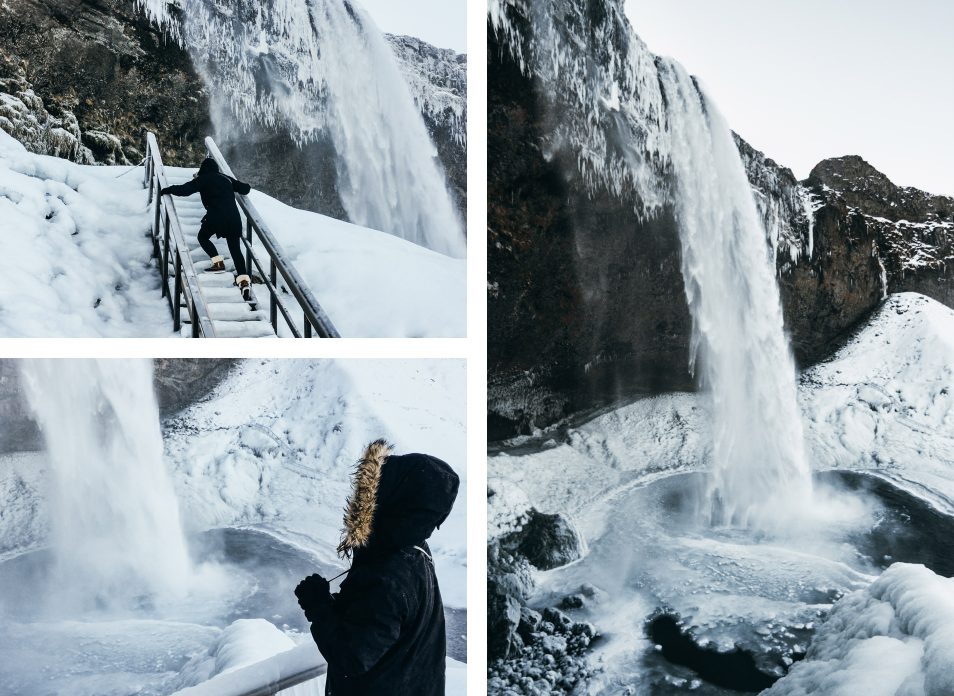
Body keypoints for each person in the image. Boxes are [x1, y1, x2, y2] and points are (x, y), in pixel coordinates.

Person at [295, 439, 459, 696]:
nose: (367, 497)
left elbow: (353, 657)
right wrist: (336, 605)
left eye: (375, 490)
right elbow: (380, 624)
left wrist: (318, 606)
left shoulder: (388, 574)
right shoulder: (413, 552)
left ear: (395, 502)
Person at [159, 157, 253, 301]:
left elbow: (185, 190)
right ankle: (244, 282)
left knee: (202, 237)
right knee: (235, 250)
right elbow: (245, 189)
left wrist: (167, 190)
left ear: (203, 168)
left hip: (216, 216)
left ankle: (218, 262)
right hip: (234, 219)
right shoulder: (226, 178)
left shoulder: (203, 179)